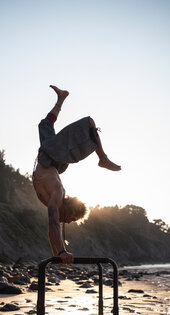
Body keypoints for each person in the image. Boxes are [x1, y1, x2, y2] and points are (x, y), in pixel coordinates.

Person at [33, 85, 121, 264]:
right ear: (68, 208)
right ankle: (103, 158)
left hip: (49, 156)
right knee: (88, 123)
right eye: (72, 218)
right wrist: (63, 251)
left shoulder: (55, 200)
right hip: (53, 155)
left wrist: (58, 253)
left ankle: (61, 99)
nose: (70, 222)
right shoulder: (57, 193)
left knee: (45, 124)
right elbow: (53, 223)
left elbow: (53, 226)